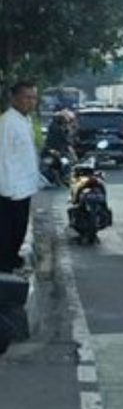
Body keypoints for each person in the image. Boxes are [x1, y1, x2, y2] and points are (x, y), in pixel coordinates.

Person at [0, 82, 41, 273]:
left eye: (34, 98)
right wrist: (7, 190)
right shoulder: (7, 123)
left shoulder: (25, 121)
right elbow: (4, 157)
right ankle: (5, 268)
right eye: (27, 97)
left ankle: (12, 261)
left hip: (24, 187)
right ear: (14, 98)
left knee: (19, 230)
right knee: (9, 232)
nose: (31, 102)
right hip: (10, 190)